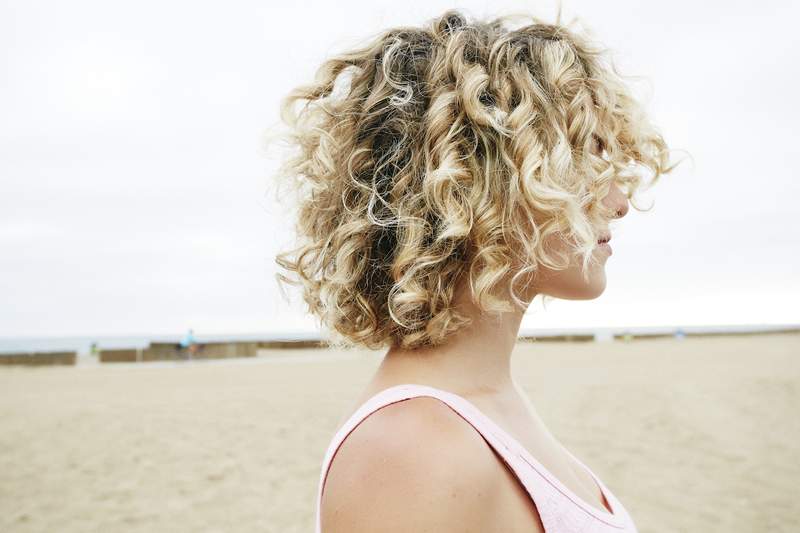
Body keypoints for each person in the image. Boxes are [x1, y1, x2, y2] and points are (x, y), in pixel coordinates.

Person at [274, 8, 680, 533]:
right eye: (586, 157)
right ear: (477, 182)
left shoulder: (484, 406)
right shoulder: (411, 450)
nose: (619, 201)